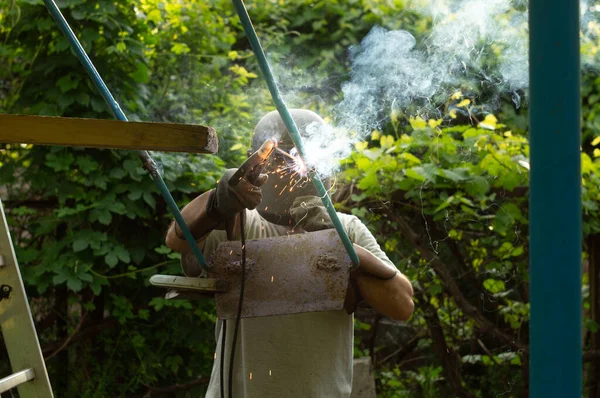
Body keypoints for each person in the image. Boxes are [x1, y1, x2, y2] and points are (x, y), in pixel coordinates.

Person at [165, 109, 414, 398]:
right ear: (256, 158)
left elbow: (402, 304)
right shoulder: (238, 220)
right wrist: (218, 201)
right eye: (281, 155)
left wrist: (337, 241)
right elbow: (178, 239)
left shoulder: (347, 227)